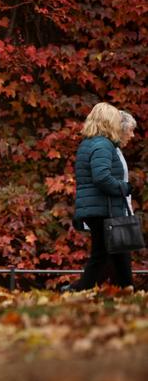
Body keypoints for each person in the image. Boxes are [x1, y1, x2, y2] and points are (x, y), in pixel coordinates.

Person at [65, 103, 134, 291]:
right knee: (103, 255)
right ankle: (77, 291)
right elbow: (102, 177)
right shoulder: (102, 144)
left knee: (115, 252)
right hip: (104, 208)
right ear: (107, 121)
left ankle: (127, 288)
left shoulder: (90, 143)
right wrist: (123, 187)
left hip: (99, 208)